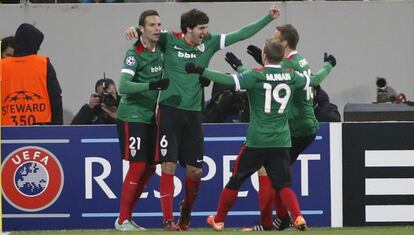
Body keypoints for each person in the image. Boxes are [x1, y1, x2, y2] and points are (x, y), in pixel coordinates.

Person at [126, 5, 280, 231]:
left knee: (195, 171)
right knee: (167, 165)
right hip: (169, 110)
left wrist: (267, 18)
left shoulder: (210, 42)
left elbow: (241, 34)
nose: (205, 32)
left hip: (194, 114)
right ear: (187, 29)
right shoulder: (170, 40)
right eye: (201, 28)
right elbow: (147, 35)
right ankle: (168, 221)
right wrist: (133, 30)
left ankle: (186, 210)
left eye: (206, 27)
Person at [185, 39, 336, 231]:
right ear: (281, 57)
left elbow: (228, 80)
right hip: (281, 140)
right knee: (283, 184)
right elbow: (315, 80)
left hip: (257, 140)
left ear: (264, 56)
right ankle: (298, 217)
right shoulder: (291, 75)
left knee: (236, 179)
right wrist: (328, 64)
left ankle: (219, 219)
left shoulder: (255, 76)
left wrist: (201, 70)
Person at [242, 24, 337, 231]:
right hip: (306, 126)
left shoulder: (289, 65)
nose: (272, 40)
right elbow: (303, 78)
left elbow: (277, 76)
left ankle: (273, 223)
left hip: (297, 128)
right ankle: (282, 219)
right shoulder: (299, 60)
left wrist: (257, 63)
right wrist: (328, 65)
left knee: (269, 170)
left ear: (284, 42)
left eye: (275, 38)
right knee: (275, 172)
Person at [114, 10, 169, 231]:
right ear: (142, 29)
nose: (157, 28)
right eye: (152, 25)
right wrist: (151, 86)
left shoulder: (161, 47)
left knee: (149, 168)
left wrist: (135, 28)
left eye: (159, 24)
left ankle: (127, 217)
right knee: (137, 166)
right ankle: (122, 219)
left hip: (150, 116)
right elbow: (123, 86)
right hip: (132, 115)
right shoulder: (133, 53)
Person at [1, 23, 62, 126]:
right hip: (40, 130)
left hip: (6, 131)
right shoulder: (44, 64)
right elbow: (55, 99)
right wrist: (56, 129)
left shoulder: (2, 65)